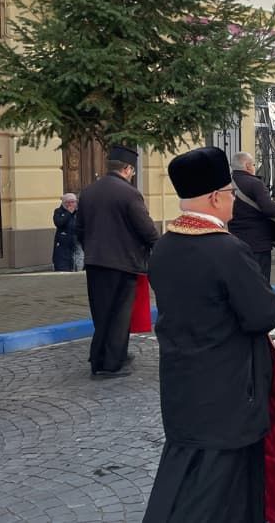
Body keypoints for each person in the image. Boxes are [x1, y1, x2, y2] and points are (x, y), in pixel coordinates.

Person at [143, 147, 275, 523]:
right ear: (216, 198)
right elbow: (265, 313)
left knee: (182, 474)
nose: (234, 204)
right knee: (217, 491)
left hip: (181, 384)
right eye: (231, 195)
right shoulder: (226, 250)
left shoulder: (163, 247)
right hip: (229, 392)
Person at [75, 145, 160, 377]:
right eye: (132, 171)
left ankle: (100, 356)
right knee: (120, 315)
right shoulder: (129, 193)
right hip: (123, 263)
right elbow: (146, 228)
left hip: (94, 263)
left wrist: (91, 250)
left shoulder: (89, 191)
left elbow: (79, 229)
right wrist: (158, 247)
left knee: (101, 313)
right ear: (127, 168)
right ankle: (111, 363)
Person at [229, 151, 275, 282]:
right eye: (253, 164)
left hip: (234, 241)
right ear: (247, 166)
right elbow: (269, 209)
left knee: (241, 281)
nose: (254, 167)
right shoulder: (255, 183)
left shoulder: (226, 184)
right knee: (260, 282)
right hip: (257, 243)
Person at [53, 193, 81, 272]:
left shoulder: (79, 213)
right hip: (63, 244)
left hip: (77, 242)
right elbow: (59, 223)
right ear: (63, 203)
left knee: (78, 264)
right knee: (63, 265)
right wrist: (68, 213)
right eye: (68, 202)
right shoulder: (58, 211)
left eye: (73, 202)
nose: (71, 204)